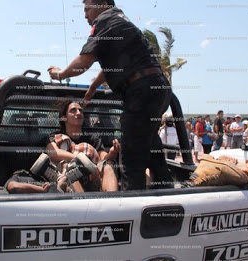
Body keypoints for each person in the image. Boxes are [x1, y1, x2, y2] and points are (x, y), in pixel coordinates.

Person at [48, 0, 172, 190]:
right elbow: (110, 68)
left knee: (130, 161)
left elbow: (84, 61)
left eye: (87, 8)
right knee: (152, 148)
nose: (85, 15)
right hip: (158, 90)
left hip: (140, 92)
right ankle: (167, 199)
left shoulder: (105, 21)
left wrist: (60, 74)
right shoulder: (120, 21)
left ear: (103, 4)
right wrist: (91, 90)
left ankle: (131, 212)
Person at [46, 101, 120, 192]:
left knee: (108, 165)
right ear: (64, 118)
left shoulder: (92, 136)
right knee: (70, 171)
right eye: (73, 110)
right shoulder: (56, 137)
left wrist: (112, 152)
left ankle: (112, 203)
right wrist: (84, 162)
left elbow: (103, 157)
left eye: (80, 110)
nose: (79, 113)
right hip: (70, 179)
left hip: (94, 177)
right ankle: (83, 203)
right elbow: (54, 153)